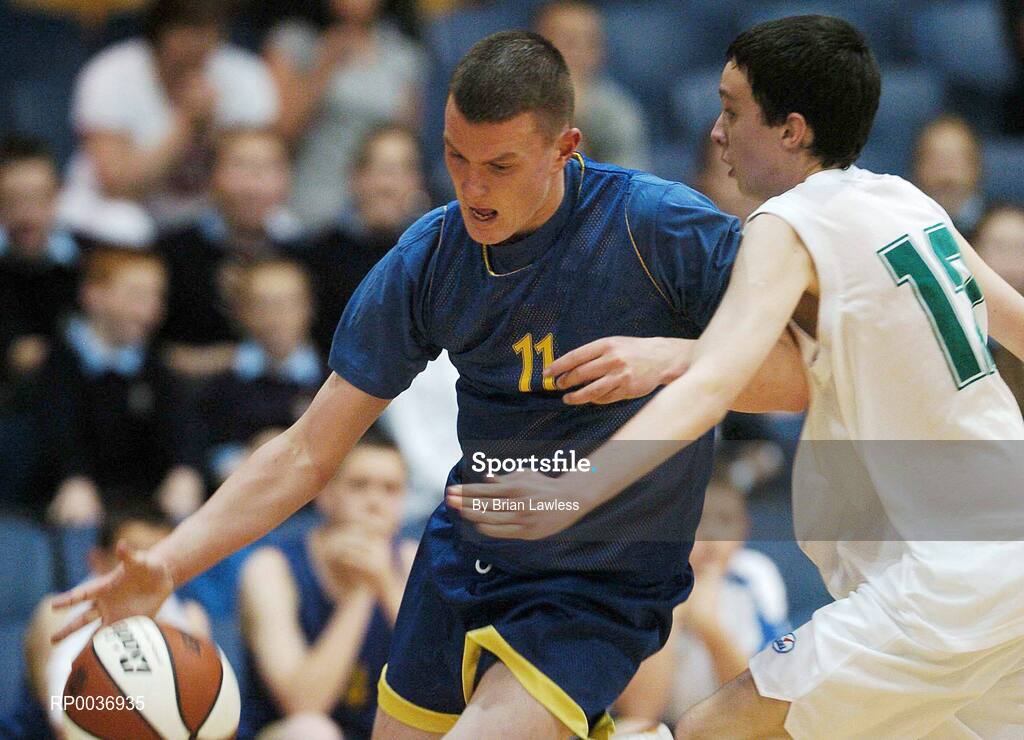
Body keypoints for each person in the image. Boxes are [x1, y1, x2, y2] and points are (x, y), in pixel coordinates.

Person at [51, 31, 807, 739]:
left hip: (601, 575)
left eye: (500, 166)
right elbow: (307, 453)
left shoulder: (659, 230)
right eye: (455, 158)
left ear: (564, 148)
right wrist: (172, 563)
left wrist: (675, 356)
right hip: (466, 559)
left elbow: (804, 378)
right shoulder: (430, 259)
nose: (473, 188)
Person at [453, 16, 1024, 739]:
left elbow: (713, 387)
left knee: (712, 729)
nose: (716, 132)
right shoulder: (904, 202)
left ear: (790, 129)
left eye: (731, 111)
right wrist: (674, 355)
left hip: (948, 576)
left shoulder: (787, 223)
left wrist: (572, 490)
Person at [238, 427, 415, 739]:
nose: (375, 502)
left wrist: (386, 585)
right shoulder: (272, 568)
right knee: (313, 731)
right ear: (325, 492)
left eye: (390, 489)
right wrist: (361, 591)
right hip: (286, 731)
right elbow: (304, 704)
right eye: (359, 486)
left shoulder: (414, 561)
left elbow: (447, 689)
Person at [59, 0, 279, 241]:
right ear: (160, 31)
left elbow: (256, 169)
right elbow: (119, 187)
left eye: (209, 29)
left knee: (279, 223)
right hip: (108, 206)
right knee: (125, 224)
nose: (199, 42)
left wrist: (211, 132)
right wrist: (186, 124)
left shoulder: (246, 75)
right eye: (187, 29)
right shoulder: (112, 73)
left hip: (199, 212)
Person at [35, 248, 205, 525]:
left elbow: (183, 427)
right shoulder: (57, 365)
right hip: (63, 509)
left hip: (143, 510)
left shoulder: (156, 367)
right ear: (93, 295)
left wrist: (186, 470)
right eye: (137, 295)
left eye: (156, 296)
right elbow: (53, 433)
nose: (151, 308)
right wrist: (72, 477)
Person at [615, 469, 789, 728]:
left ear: (743, 529)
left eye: (725, 520)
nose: (712, 536)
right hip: (665, 725)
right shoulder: (644, 578)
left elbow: (767, 700)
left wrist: (707, 625)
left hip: (734, 723)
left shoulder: (756, 574)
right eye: (697, 521)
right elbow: (640, 712)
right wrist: (674, 613)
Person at [21, 502, 208, 737]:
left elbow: (201, 710)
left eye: (159, 556)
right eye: (135, 558)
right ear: (97, 560)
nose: (145, 571)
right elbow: (64, 723)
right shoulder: (55, 612)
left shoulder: (191, 615)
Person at [157, 128, 304, 378]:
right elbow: (152, 351)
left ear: (286, 180)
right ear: (212, 176)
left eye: (267, 169)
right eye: (240, 166)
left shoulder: (304, 256)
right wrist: (219, 360)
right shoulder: (172, 253)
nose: (253, 185)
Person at [264, 0, 426, 228]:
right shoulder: (294, 41)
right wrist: (324, 66)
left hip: (378, 205)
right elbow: (279, 134)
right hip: (311, 202)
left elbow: (406, 141)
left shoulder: (403, 53)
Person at [304, 123, 430, 356]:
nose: (389, 186)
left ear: (417, 182)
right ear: (355, 177)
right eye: (382, 170)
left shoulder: (435, 254)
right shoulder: (317, 257)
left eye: (403, 172)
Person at [200, 259, 326, 485]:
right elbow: (206, 447)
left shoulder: (334, 379)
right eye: (262, 305)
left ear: (308, 308)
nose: (276, 316)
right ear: (241, 313)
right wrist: (249, 459)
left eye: (287, 303)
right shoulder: (222, 383)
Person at [0, 136, 87, 383]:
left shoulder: (88, 261)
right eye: (13, 200)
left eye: (38, 198)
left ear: (57, 195)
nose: (26, 214)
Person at [533, 0, 649, 170]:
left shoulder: (617, 111)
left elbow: (627, 187)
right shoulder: (506, 96)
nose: (575, 52)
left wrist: (575, 120)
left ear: (600, 53)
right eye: (564, 40)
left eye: (587, 43)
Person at [974, 203, 1024, 409]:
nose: (1010, 260)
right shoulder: (955, 317)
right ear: (974, 251)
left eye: (1020, 249)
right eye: (999, 247)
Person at [911, 114, 987, 239]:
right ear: (918, 167)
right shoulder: (902, 226)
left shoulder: (998, 229)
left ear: (977, 166)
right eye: (937, 161)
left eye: (955, 161)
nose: (946, 175)